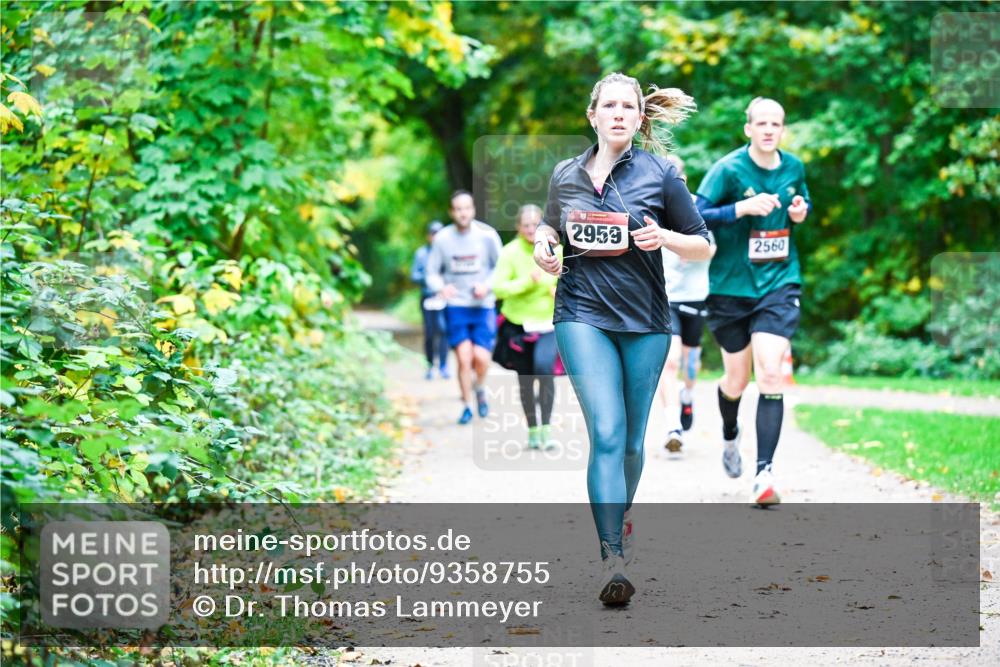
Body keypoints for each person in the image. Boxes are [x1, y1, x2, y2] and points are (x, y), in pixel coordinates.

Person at [533, 73, 711, 605]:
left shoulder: (662, 174)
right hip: (581, 314)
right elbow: (549, 226)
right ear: (592, 115)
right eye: (607, 105)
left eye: (626, 107)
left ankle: (620, 515)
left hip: (645, 322)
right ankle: (612, 558)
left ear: (638, 118)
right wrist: (545, 244)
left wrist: (667, 238)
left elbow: (703, 245)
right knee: (607, 434)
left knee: (633, 443)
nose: (617, 113)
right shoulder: (565, 175)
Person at [694, 97, 811, 506]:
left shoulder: (794, 167)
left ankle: (764, 473)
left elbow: (803, 203)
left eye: (775, 124)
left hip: (780, 283)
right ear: (748, 129)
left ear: (782, 129)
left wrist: (799, 211)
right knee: (736, 381)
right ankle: (730, 435)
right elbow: (696, 214)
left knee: (771, 373)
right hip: (729, 289)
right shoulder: (727, 169)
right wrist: (740, 208)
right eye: (760, 123)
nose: (768, 130)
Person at [425, 190, 503, 425]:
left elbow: (501, 267)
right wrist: (441, 287)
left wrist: (487, 286)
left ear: (473, 210)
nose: (463, 213)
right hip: (456, 305)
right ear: (451, 212)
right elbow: (432, 273)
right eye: (458, 209)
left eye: (466, 208)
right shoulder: (442, 239)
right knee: (463, 357)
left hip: (482, 305)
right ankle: (467, 405)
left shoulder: (487, 235)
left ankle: (480, 388)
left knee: (481, 358)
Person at [657, 155, 716, 452]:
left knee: (690, 366)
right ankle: (672, 424)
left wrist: (690, 249)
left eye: (675, 173)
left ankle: (687, 397)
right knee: (670, 360)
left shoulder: (696, 205)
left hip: (695, 294)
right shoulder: (648, 204)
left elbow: (711, 247)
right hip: (665, 297)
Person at [492, 204, 560, 450]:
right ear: (518, 227)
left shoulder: (556, 249)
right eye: (526, 225)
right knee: (525, 378)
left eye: (536, 224)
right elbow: (498, 288)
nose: (532, 229)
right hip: (519, 326)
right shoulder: (510, 252)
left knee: (544, 369)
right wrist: (526, 283)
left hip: (549, 324)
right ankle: (532, 429)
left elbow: (569, 279)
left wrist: (559, 291)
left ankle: (546, 429)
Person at [411, 220, 450, 380]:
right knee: (429, 332)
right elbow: (414, 275)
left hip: (444, 298)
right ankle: (429, 366)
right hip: (428, 296)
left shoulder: (449, 252)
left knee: (443, 330)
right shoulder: (421, 253)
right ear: (429, 236)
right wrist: (431, 280)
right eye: (433, 234)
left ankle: (443, 365)